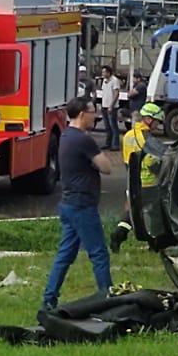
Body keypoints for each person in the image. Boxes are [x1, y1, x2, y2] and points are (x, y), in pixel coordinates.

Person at [42, 98, 114, 311]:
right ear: (83, 114)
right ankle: (108, 298)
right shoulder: (84, 140)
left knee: (65, 254)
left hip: (68, 203)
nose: (96, 116)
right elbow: (107, 167)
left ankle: (49, 298)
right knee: (99, 253)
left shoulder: (66, 135)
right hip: (83, 205)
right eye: (93, 112)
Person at [110, 100, 164, 253]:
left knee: (132, 214)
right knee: (155, 214)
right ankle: (154, 245)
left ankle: (119, 235)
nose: (157, 125)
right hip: (148, 183)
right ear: (148, 119)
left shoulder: (128, 135)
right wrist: (161, 168)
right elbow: (151, 161)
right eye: (156, 122)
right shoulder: (146, 138)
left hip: (132, 181)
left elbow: (128, 159)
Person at [98, 66, 121, 150]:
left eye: (104, 72)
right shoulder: (104, 81)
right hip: (105, 105)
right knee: (107, 126)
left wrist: (111, 105)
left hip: (112, 107)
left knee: (113, 126)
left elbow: (116, 93)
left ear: (108, 73)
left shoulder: (114, 80)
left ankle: (115, 145)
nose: (103, 74)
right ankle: (108, 143)